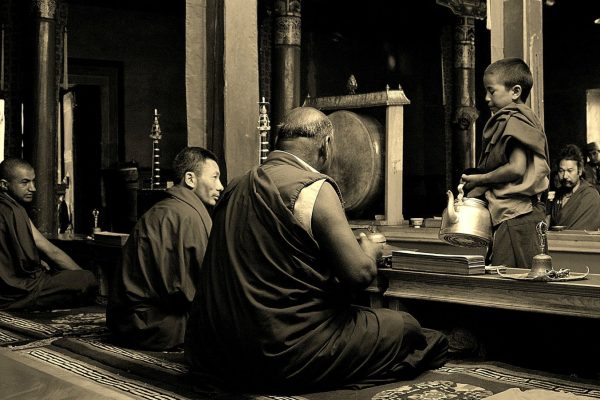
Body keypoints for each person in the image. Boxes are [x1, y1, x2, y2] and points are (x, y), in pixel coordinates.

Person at [185, 107, 448, 393]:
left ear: (277, 139)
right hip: (281, 351)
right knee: (406, 328)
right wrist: (370, 251)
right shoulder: (314, 188)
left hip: (218, 350)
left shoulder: (236, 186)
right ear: (326, 146)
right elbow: (358, 275)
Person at [106, 147, 223, 351]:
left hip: (123, 320)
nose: (220, 186)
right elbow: (199, 288)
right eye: (214, 177)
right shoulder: (189, 216)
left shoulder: (164, 208)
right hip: (152, 324)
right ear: (190, 179)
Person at [461, 58, 550, 268]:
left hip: (517, 216)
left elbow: (516, 168)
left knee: (510, 286)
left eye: (492, 91)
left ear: (515, 92)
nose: (487, 98)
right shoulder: (518, 119)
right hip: (516, 214)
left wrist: (481, 179)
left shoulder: (515, 120)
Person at [0, 158, 98, 310]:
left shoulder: (11, 209)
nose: (32, 188)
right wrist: (84, 276)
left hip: (6, 289)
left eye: (33, 181)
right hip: (20, 289)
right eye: (24, 182)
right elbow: (51, 251)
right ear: (4, 184)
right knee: (87, 279)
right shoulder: (14, 210)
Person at [548, 144, 600, 230]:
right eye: (561, 171)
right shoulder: (557, 195)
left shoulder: (590, 196)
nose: (565, 176)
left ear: (579, 171)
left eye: (570, 171)